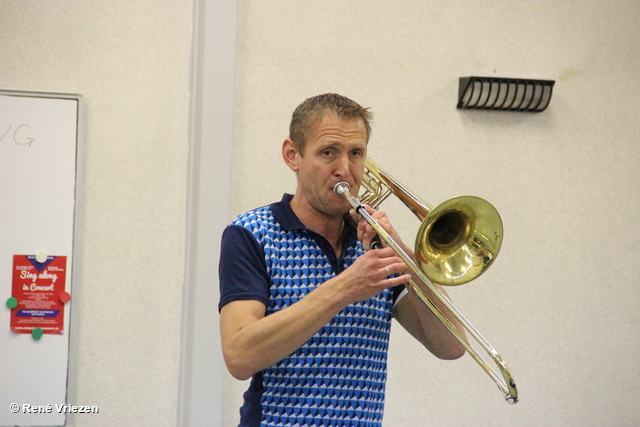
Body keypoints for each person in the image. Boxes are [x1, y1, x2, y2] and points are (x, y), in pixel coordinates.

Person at [218, 93, 465, 427]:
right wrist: (345, 288)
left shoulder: (375, 248)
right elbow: (239, 355)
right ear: (293, 155)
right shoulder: (251, 233)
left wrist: (404, 255)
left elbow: (451, 346)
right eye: (328, 153)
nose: (345, 170)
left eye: (356, 154)